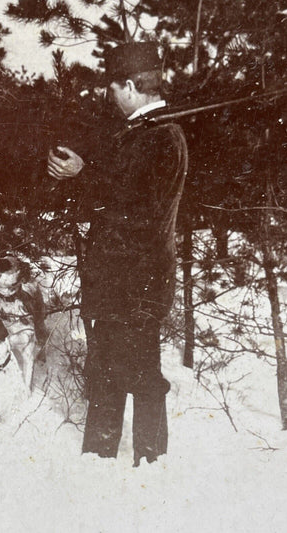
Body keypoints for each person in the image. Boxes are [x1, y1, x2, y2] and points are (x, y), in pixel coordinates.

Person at [47, 42, 188, 466]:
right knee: (107, 374)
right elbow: (120, 196)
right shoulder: (143, 133)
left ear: (129, 84)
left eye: (112, 85)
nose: (109, 94)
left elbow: (138, 212)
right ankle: (99, 462)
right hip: (121, 281)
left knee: (142, 376)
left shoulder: (163, 136)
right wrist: (83, 177)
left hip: (138, 283)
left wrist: (84, 174)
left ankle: (152, 465)